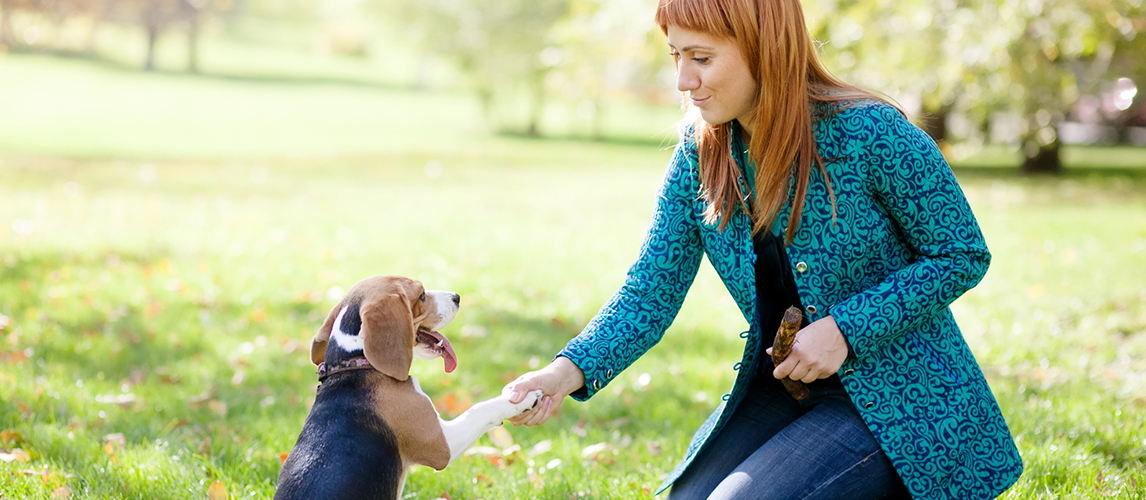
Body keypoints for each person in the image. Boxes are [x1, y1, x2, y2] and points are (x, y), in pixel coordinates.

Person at [502, 0, 1024, 498]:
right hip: (783, 392)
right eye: (677, 57)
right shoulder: (697, 156)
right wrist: (562, 372)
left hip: (900, 405)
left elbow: (961, 253)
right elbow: (649, 293)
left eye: (701, 59)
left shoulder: (872, 133)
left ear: (764, 47)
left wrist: (845, 330)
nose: (684, 80)